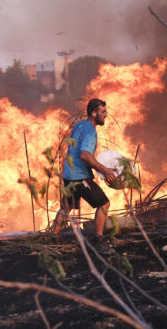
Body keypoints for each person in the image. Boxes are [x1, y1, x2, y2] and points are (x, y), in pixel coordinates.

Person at [52, 98, 118, 253]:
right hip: (79, 176)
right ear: (94, 113)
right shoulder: (90, 130)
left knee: (66, 207)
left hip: (68, 173)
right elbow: (85, 155)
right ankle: (99, 241)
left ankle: (53, 238)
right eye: (103, 112)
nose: (106, 115)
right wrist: (106, 170)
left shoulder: (80, 124)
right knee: (104, 204)